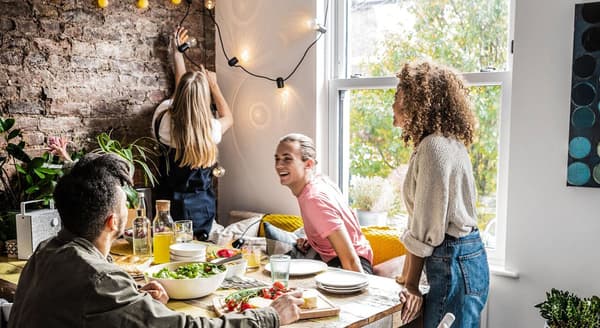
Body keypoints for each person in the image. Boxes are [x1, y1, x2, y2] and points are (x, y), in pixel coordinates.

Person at [8, 153, 303, 328]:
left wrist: (136, 298)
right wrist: (269, 317)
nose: (130, 208)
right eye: (126, 202)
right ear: (113, 221)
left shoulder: (46, 251)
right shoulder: (99, 280)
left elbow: (87, 309)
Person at [391, 61, 490, 328]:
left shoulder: (434, 147)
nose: (393, 104)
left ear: (418, 100)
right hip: (462, 258)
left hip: (453, 260)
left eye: (398, 95)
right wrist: (405, 277)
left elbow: (425, 227)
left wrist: (411, 285)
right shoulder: (446, 143)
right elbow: (421, 223)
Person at [152, 27, 234, 240]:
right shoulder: (210, 129)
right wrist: (215, 87)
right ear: (203, 99)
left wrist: (177, 55)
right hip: (201, 211)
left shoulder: (162, 119)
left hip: (166, 208)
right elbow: (229, 117)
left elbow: (181, 95)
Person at [274, 133, 374, 274]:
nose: (279, 165)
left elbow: (351, 262)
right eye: (277, 159)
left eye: (287, 159)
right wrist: (314, 240)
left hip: (347, 265)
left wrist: (362, 292)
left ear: (308, 164)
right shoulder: (320, 180)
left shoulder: (313, 199)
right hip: (351, 255)